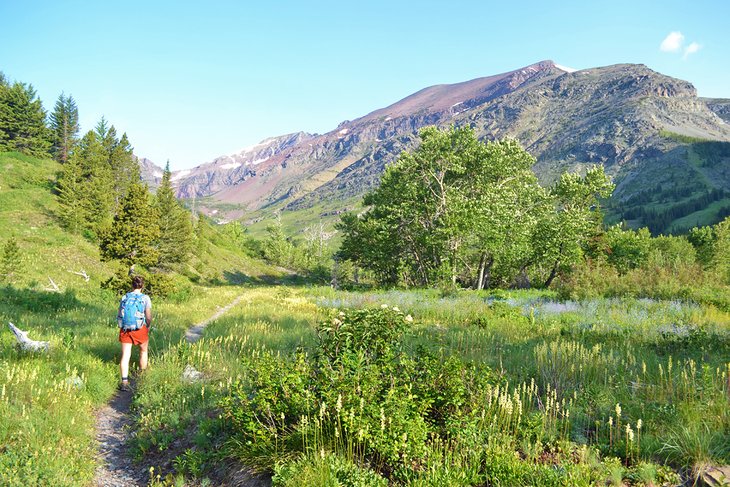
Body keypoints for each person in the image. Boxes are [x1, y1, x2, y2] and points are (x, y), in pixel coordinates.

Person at [117, 275, 152, 391]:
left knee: (126, 355)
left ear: (132, 285)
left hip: (126, 329)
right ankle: (142, 377)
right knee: (143, 351)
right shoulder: (145, 298)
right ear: (142, 286)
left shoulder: (124, 297)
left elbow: (119, 314)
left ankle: (124, 382)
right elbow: (148, 317)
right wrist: (148, 326)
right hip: (140, 329)